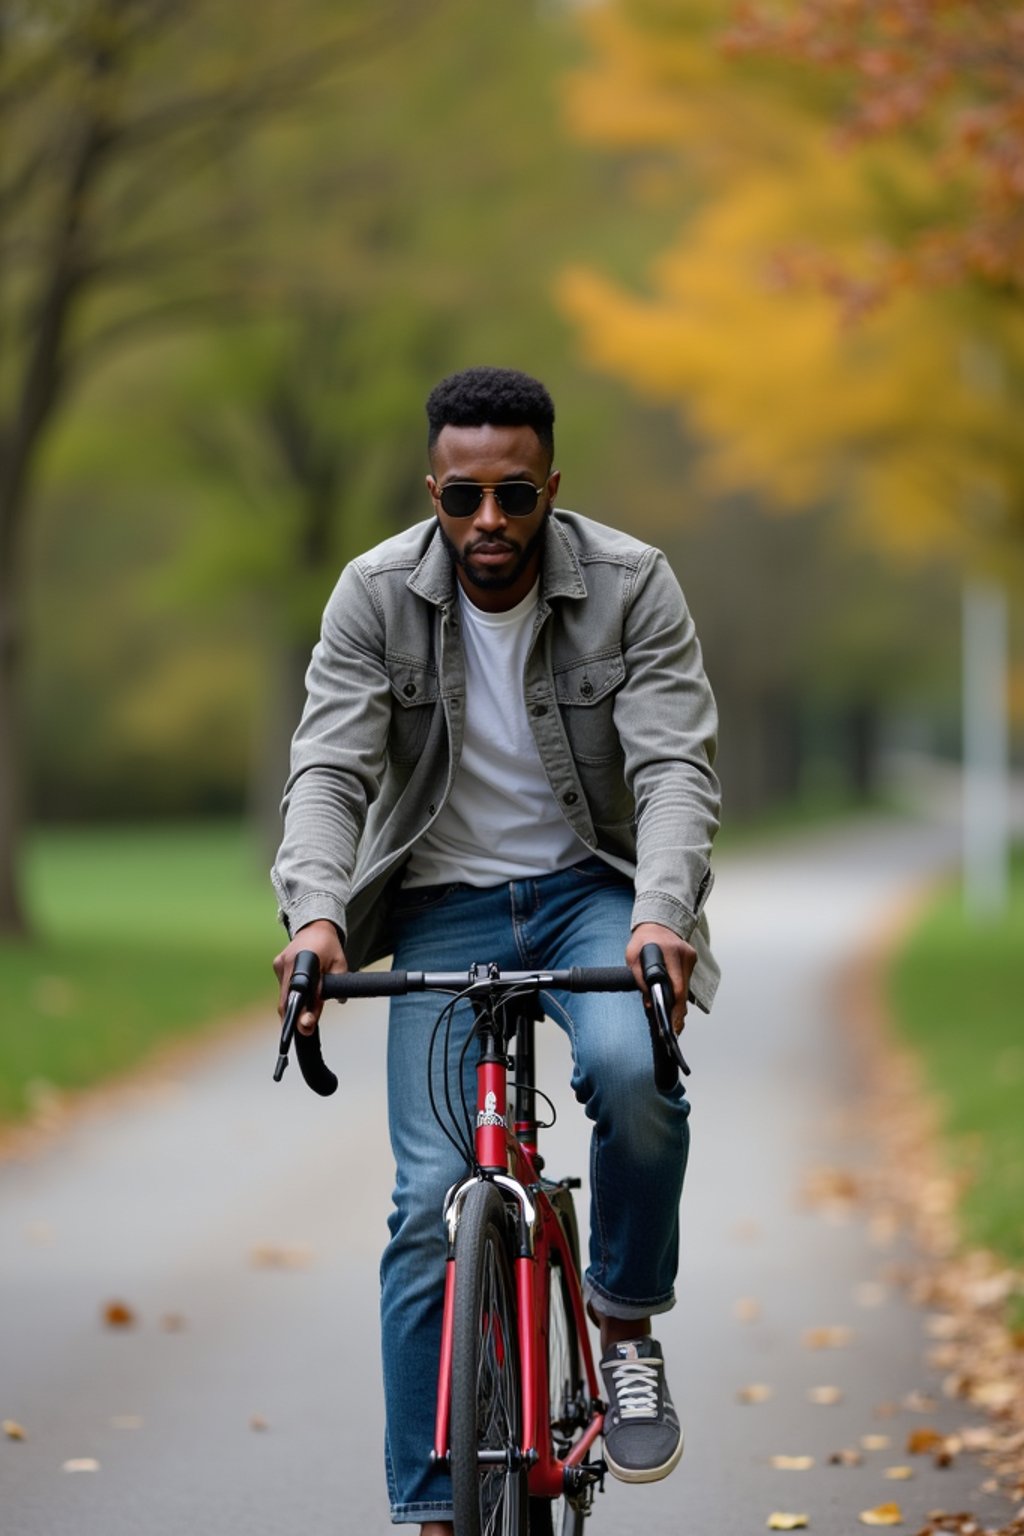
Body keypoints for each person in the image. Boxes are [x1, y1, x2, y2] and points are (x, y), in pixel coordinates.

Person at [272, 365, 720, 1532]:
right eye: (464, 497)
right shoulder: (373, 595)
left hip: (593, 897)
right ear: (433, 490)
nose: (488, 523)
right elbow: (330, 768)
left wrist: (660, 916)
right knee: (429, 1204)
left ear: (550, 488)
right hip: (438, 907)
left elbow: (675, 765)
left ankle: (622, 1326)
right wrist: (316, 913)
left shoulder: (630, 584)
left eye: (514, 497)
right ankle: (434, 1507)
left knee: (634, 1075)